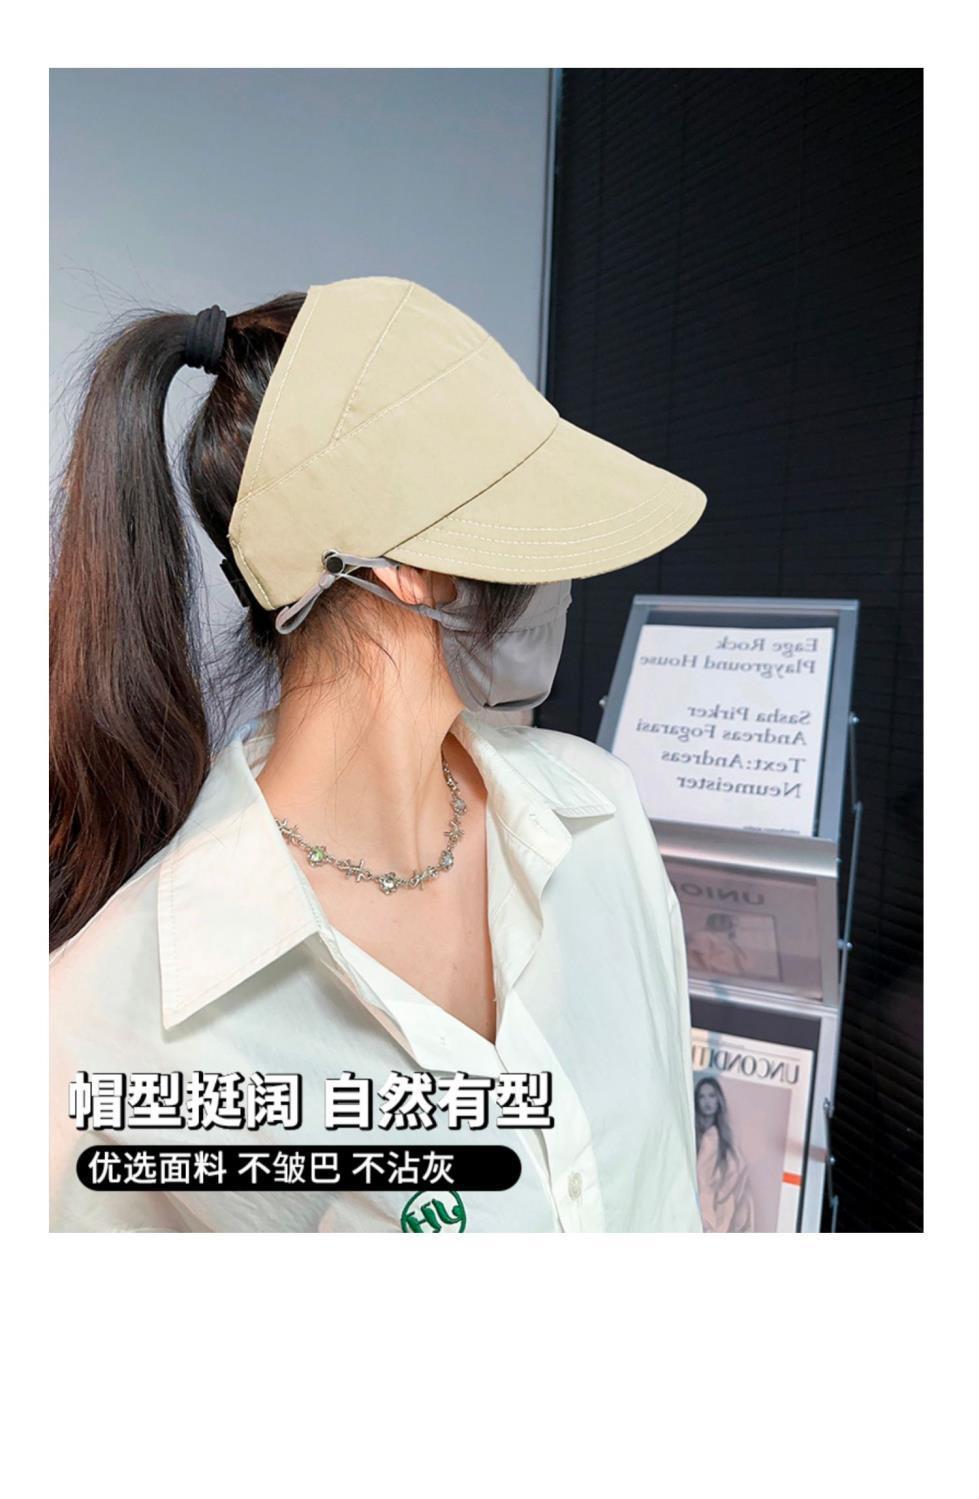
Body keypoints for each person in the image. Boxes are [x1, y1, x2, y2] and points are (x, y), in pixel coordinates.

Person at [49, 275, 708, 1233]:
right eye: (531, 518)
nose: (559, 573)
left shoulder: (601, 820)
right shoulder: (111, 1031)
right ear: (410, 565)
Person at [694, 1076, 755, 1232]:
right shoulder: (697, 1136)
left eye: (712, 1096)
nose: (707, 1102)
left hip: (713, 1211)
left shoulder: (721, 1138)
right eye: (702, 1097)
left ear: (718, 1100)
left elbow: (737, 1173)